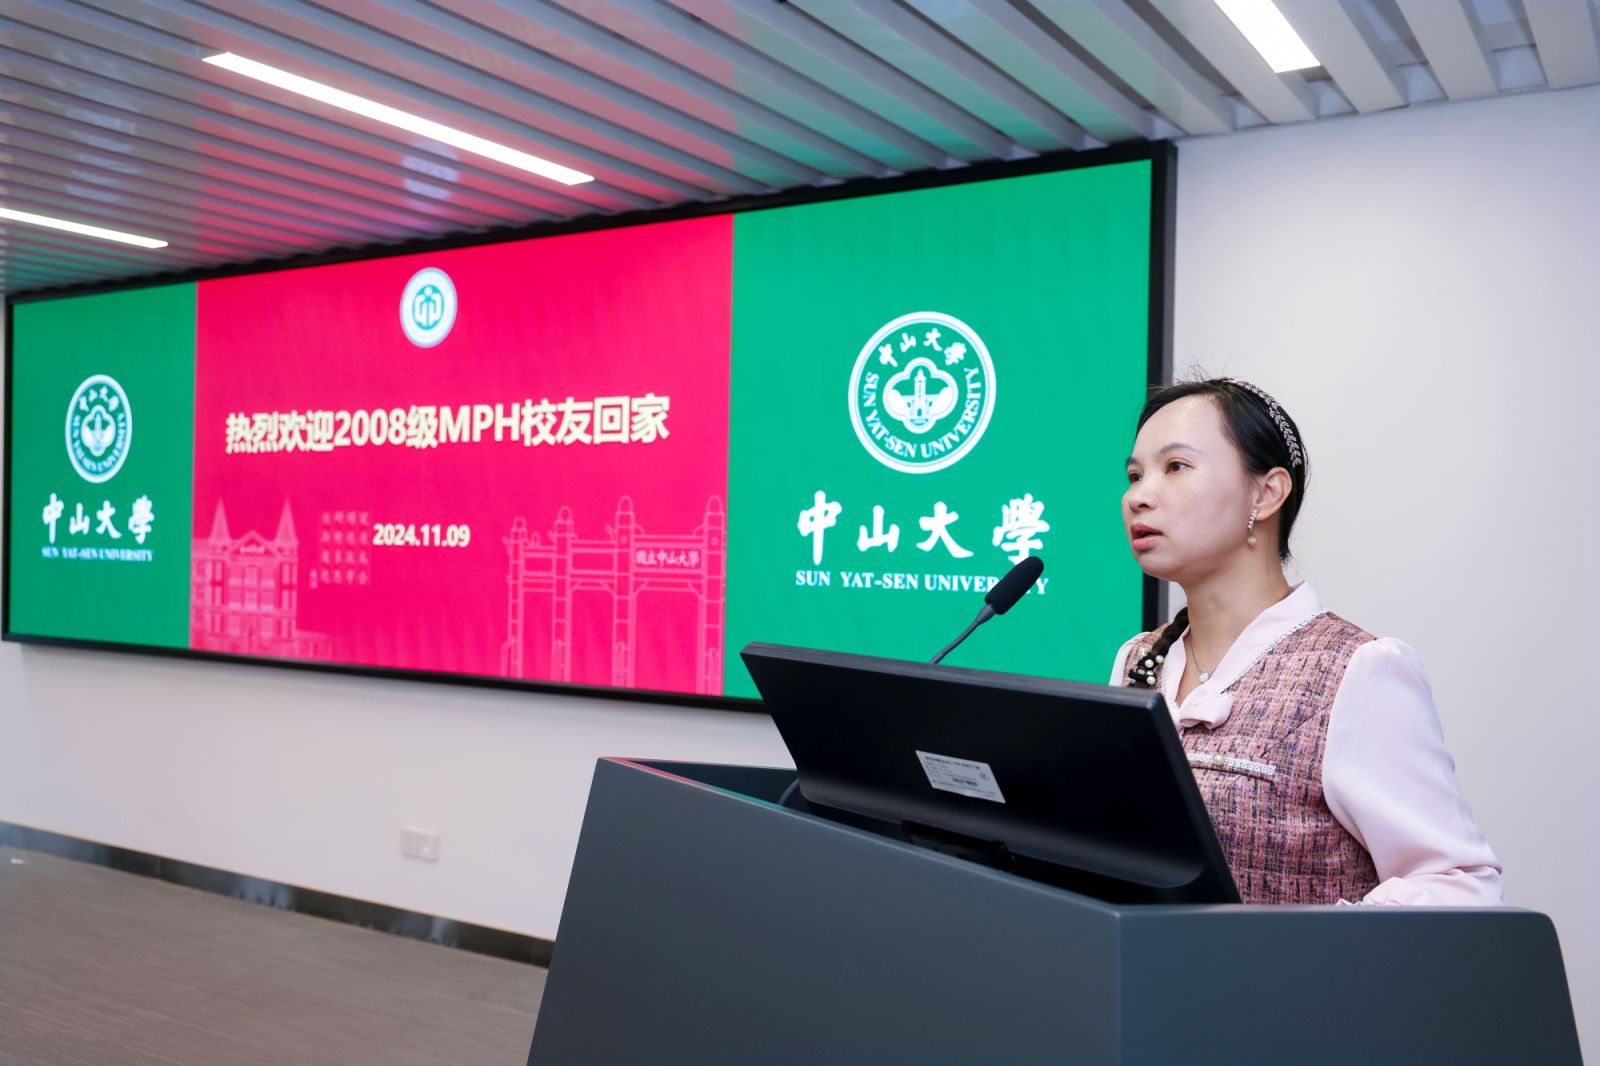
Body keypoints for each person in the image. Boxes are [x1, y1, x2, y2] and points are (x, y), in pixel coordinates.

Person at [1112, 377, 1502, 905]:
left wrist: (1309, 939)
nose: (1138, 497)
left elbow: (1463, 886)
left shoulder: (1357, 670)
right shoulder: (1138, 659)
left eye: (1176, 467)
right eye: (1135, 475)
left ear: (1266, 493)